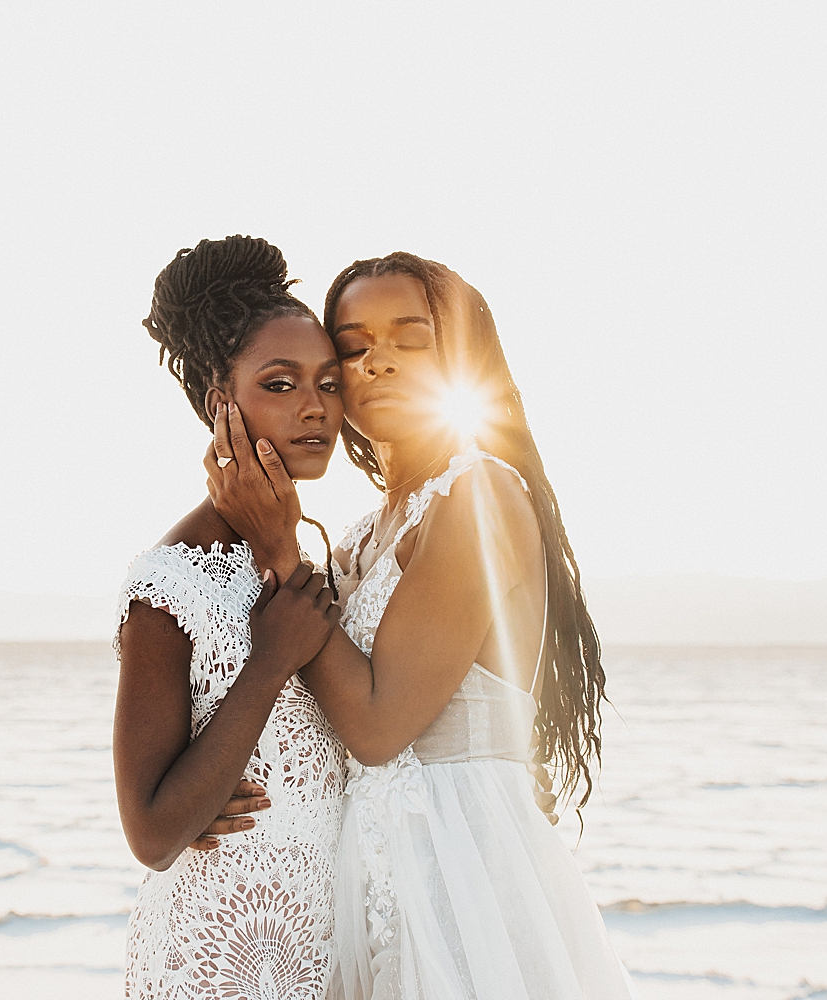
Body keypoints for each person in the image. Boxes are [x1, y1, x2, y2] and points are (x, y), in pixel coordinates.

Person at [207, 252, 637, 999]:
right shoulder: (360, 538)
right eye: (354, 347)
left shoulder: (479, 497)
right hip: (366, 870)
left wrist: (278, 548)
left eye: (411, 339)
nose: (379, 362)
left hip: (460, 871)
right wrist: (222, 787)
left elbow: (377, 727)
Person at [114, 235, 347, 997]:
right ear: (223, 402)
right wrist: (269, 662)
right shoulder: (172, 581)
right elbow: (153, 834)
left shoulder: (315, 560)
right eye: (280, 383)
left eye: (329, 383)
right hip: (216, 956)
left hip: (318, 948)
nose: (315, 406)